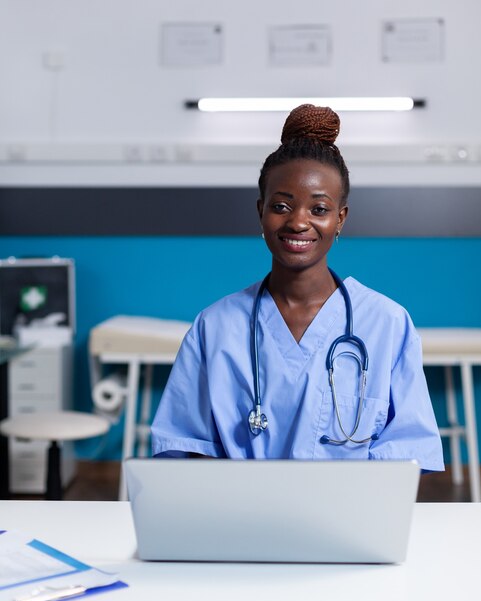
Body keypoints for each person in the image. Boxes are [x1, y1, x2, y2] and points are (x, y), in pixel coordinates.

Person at [151, 104, 444, 471]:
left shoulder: (387, 323)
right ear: (261, 212)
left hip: (348, 517)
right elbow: (185, 446)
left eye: (319, 209)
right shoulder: (214, 326)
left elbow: (407, 454)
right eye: (281, 205)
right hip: (240, 517)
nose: (298, 222)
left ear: (341, 219)